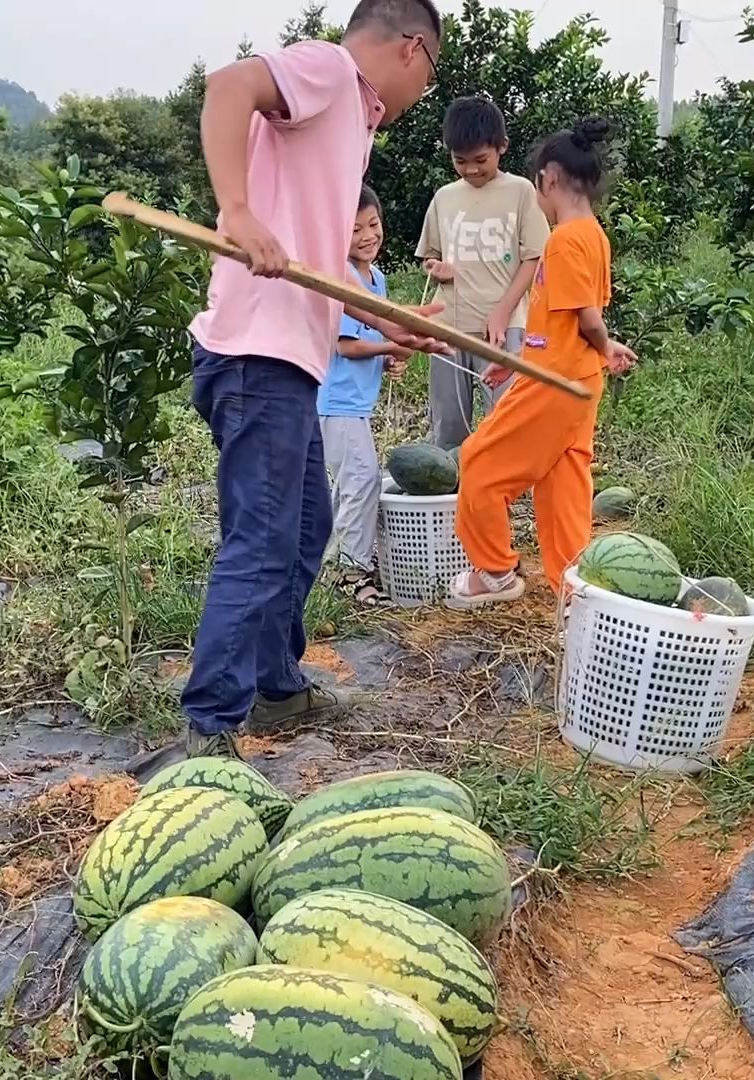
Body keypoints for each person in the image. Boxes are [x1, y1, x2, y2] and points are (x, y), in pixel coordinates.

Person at [176, 0, 450, 760]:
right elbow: (230, 85)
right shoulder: (330, 71)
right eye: (429, 76)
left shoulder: (348, 127)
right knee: (262, 539)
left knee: (303, 529)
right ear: (412, 50)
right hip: (255, 359)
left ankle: (275, 687)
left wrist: (384, 327)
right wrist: (236, 210)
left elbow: (318, 278)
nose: (422, 94)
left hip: (290, 360)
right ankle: (211, 725)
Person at [447, 117, 638, 607]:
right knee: (563, 487)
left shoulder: (566, 240)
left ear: (549, 179)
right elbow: (563, 324)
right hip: (573, 379)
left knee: (480, 463)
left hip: (556, 384)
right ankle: (572, 589)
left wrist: (604, 343)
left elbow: (587, 317)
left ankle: (495, 570)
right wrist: (516, 361)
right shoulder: (594, 235)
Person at [417, 95, 550, 450]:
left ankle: (499, 492)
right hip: (448, 326)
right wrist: (437, 268)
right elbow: (429, 257)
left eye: (480, 160)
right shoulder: (445, 197)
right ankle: (451, 495)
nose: (471, 170)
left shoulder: (521, 192)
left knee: (506, 417)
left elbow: (534, 258)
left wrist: (503, 310)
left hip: (504, 328)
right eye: (460, 161)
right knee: (448, 421)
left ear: (501, 147)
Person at [319, 185, 412, 607]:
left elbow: (374, 336)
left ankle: (337, 562)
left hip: (354, 403)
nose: (367, 236)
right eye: (354, 230)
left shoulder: (378, 279)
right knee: (361, 479)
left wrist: (390, 359)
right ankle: (352, 572)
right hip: (335, 402)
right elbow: (346, 345)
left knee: (351, 484)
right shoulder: (343, 278)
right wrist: (389, 348)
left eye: (372, 224)